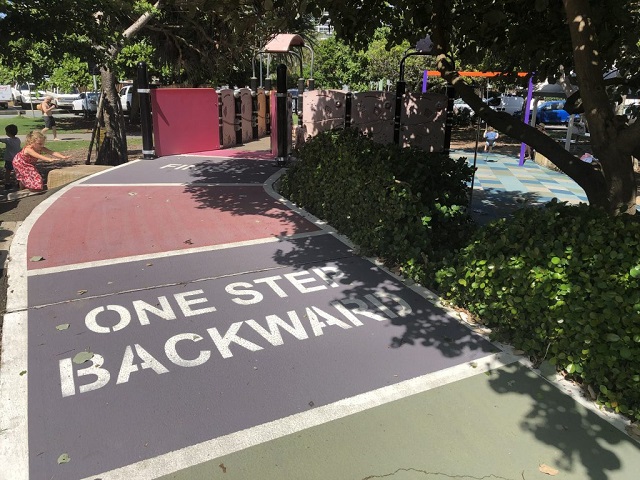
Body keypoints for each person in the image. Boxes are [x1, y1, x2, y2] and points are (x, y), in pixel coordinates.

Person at [0, 124, 20, 190]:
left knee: (8, 171)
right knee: (17, 171)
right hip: (17, 158)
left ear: (8, 133)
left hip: (9, 159)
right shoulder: (17, 139)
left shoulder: (8, 140)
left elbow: (1, 140)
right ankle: (19, 182)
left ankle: (7, 183)